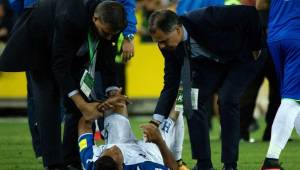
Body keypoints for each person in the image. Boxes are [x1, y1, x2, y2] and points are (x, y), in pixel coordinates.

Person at [0, 0, 128, 169]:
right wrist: (82, 104)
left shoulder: (111, 18)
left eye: (113, 34)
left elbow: (108, 55)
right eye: (106, 32)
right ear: (95, 19)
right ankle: (53, 164)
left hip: (67, 51)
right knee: (48, 103)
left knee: (79, 104)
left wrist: (112, 90)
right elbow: (59, 66)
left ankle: (72, 161)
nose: (109, 37)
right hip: (39, 46)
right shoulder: (71, 17)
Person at [148, 6, 263, 170]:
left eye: (164, 40)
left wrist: (256, 44)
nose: (162, 46)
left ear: (177, 29)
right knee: (189, 101)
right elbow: (171, 83)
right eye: (158, 42)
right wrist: (156, 120)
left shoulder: (205, 18)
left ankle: (230, 165)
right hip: (211, 64)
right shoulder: (168, 47)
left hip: (243, 57)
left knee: (227, 99)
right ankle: (203, 164)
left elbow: (250, 13)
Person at [78, 91, 179, 170]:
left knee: (117, 103)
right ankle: (184, 90)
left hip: (121, 142)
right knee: (171, 118)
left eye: (107, 150)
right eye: (116, 153)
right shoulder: (146, 167)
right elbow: (173, 168)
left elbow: (84, 123)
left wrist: (103, 106)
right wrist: (160, 142)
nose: (113, 148)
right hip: (147, 155)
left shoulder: (91, 161)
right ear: (121, 167)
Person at [259, 0, 300, 169]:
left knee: (295, 98)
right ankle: (271, 160)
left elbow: (260, 5)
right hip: (297, 36)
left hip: (275, 36)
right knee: (291, 99)